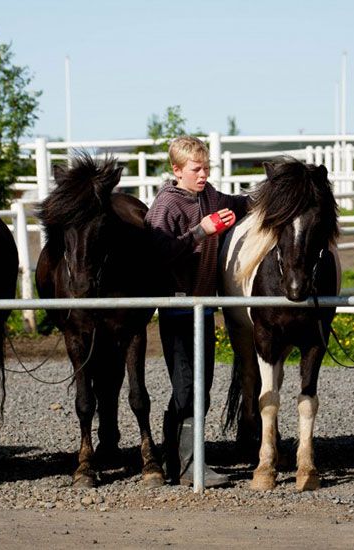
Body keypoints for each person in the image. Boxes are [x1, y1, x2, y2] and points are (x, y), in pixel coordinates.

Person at [145, 136, 250, 487]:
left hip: (202, 308)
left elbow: (238, 203)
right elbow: (159, 254)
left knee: (200, 388)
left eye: (207, 168)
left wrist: (273, 192)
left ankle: (182, 463)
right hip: (177, 308)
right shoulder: (165, 205)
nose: (204, 174)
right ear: (177, 170)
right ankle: (184, 464)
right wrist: (200, 232)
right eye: (196, 169)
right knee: (187, 387)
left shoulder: (208, 195)